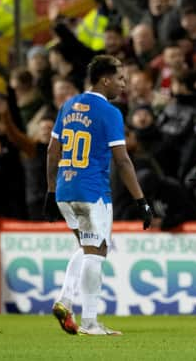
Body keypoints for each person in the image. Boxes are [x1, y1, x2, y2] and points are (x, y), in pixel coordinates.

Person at [43, 55, 153, 336]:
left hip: (65, 190)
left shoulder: (67, 106)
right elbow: (123, 161)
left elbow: (51, 152)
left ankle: (66, 300)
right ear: (105, 80)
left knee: (86, 248)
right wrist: (141, 200)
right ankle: (90, 322)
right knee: (96, 253)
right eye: (120, 78)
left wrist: (50, 189)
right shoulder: (110, 113)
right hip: (92, 192)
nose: (123, 84)